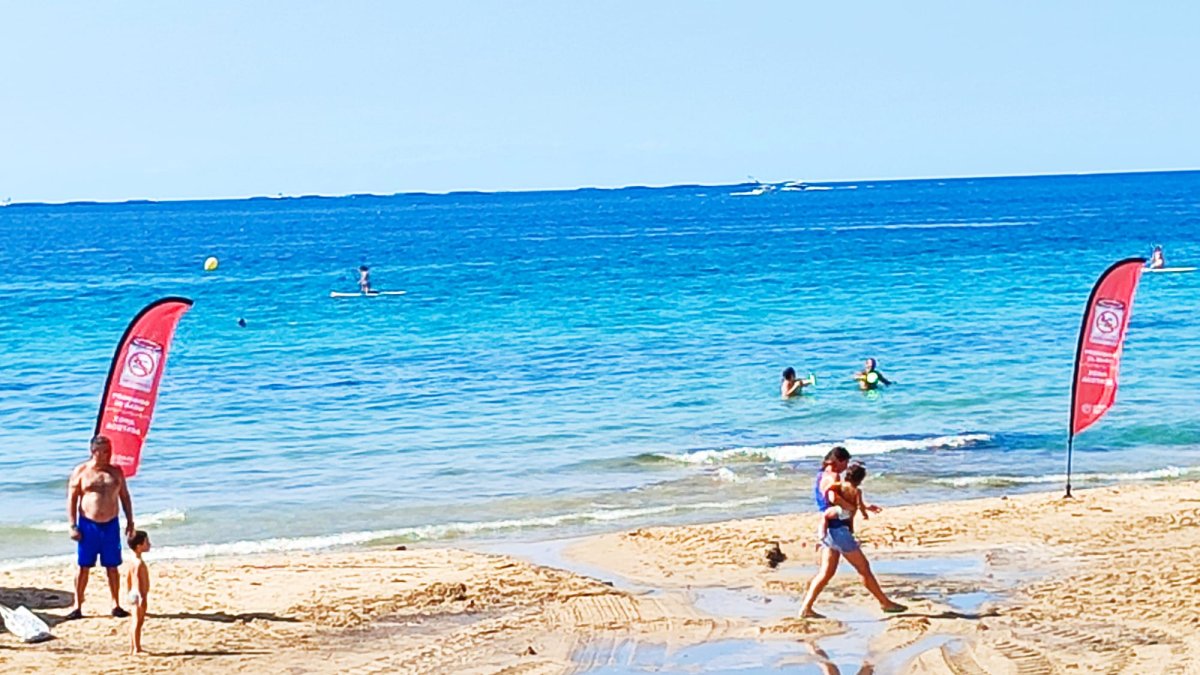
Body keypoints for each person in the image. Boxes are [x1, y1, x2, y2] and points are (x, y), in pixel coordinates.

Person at [798, 446, 906, 618]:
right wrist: (848, 506)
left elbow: (836, 496)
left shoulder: (821, 475)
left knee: (826, 573)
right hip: (838, 530)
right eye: (845, 462)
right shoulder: (833, 476)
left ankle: (806, 608)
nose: (845, 467)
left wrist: (864, 506)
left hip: (831, 531)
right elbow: (832, 496)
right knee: (863, 568)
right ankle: (885, 604)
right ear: (838, 461)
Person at [66, 435, 135, 620]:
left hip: (111, 525)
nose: (106, 455)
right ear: (93, 451)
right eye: (102, 451)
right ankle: (77, 605)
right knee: (83, 567)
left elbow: (125, 497)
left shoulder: (116, 471)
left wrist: (130, 521)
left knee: (112, 567)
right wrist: (72, 525)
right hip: (88, 525)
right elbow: (72, 500)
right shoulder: (81, 471)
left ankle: (115, 604)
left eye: (109, 451)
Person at [817, 462, 870, 542]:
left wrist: (826, 492)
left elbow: (831, 486)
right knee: (850, 523)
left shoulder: (841, 484)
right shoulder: (857, 491)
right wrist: (864, 514)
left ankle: (822, 534)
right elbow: (859, 504)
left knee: (825, 516)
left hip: (840, 510)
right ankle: (851, 533)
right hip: (849, 513)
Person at [124, 530, 151, 655]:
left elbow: (128, 578)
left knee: (135, 621)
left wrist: (129, 591)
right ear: (139, 546)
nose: (149, 544)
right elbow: (138, 580)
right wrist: (142, 596)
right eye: (146, 542)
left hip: (133, 593)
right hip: (139, 595)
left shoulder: (132, 561)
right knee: (138, 622)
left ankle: (133, 646)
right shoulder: (139, 563)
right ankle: (136, 648)